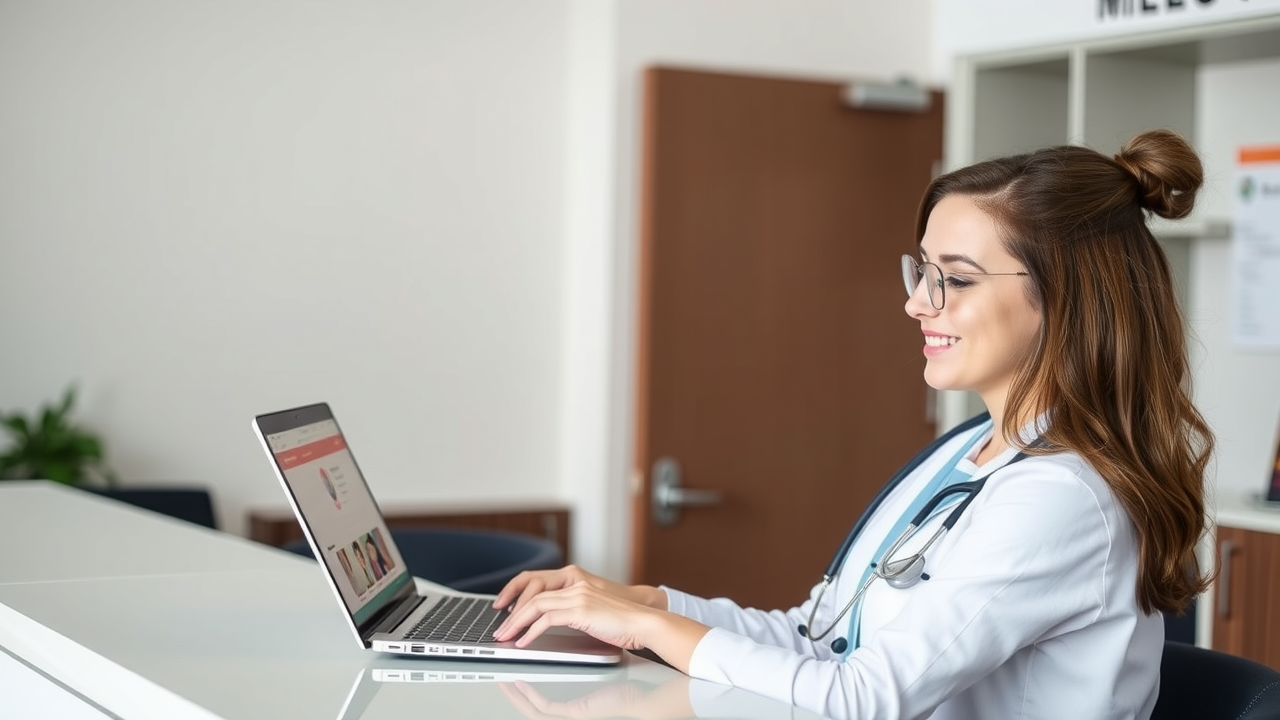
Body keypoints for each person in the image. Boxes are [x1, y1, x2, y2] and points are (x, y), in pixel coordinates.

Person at [491, 129, 1214, 720]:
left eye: (957, 279)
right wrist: (644, 603)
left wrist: (651, 630)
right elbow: (821, 637)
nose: (917, 304)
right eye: (923, 271)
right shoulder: (969, 450)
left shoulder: (1062, 495)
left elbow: (865, 700)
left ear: (1071, 296)